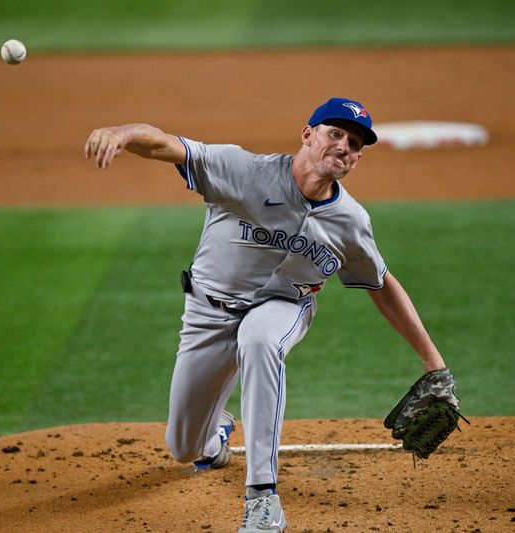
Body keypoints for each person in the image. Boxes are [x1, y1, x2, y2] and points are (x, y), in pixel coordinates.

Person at [84, 97, 450, 532]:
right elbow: (166, 145)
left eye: (354, 144)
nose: (344, 146)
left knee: (259, 339)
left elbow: (381, 284)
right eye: (335, 133)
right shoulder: (243, 171)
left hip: (283, 308)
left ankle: (262, 499)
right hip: (209, 313)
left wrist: (433, 361)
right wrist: (123, 134)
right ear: (307, 134)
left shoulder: (350, 222)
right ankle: (214, 433)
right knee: (183, 447)